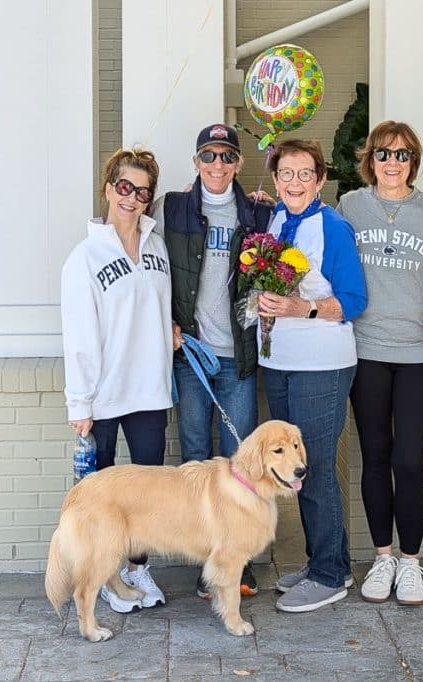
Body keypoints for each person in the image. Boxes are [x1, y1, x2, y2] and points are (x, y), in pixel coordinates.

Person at [153, 124, 272, 601]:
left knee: (242, 463)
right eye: (209, 156)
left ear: (239, 163)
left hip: (239, 358)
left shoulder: (259, 212)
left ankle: (239, 562)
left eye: (226, 157)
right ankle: (209, 560)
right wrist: (167, 323)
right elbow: (150, 268)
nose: (217, 165)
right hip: (193, 357)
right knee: (197, 459)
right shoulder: (173, 208)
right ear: (196, 160)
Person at [255, 139, 368, 613]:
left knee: (313, 468)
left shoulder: (334, 227)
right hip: (278, 362)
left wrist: (303, 308)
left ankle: (329, 577)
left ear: (321, 180)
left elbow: (355, 300)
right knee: (293, 471)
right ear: (276, 178)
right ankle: (326, 560)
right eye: (286, 174)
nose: (294, 183)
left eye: (305, 175)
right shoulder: (277, 219)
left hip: (321, 365)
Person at [336, 121, 423, 606]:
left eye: (402, 155)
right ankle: (383, 558)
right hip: (365, 351)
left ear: (413, 161)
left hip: (420, 354)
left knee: (409, 461)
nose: (392, 162)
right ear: (370, 160)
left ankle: (411, 562)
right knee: (376, 458)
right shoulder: (351, 206)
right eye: (383, 154)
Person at [61, 147, 173, 615]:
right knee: (104, 498)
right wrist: (79, 403)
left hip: (149, 390)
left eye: (141, 191)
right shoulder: (84, 258)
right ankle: (105, 575)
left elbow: (158, 305)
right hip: (103, 396)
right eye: (123, 187)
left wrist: (170, 331)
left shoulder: (157, 244)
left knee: (147, 495)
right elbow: (80, 337)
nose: (131, 197)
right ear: (108, 189)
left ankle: (136, 569)